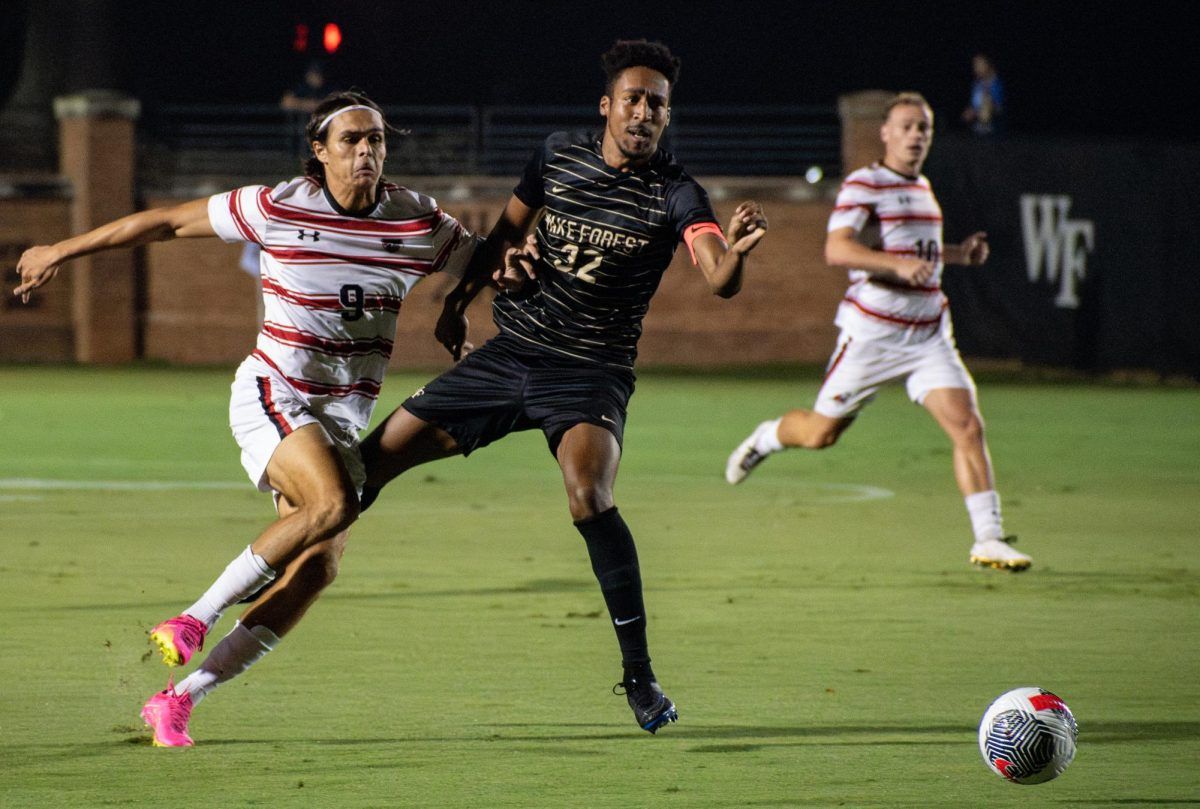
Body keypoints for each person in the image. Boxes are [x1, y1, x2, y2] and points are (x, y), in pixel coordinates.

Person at [12, 91, 478, 746]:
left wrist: (461, 301)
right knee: (334, 501)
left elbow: (489, 263)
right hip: (275, 394)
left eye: (376, 139)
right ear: (320, 151)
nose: (368, 150)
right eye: (351, 139)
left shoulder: (415, 220)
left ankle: (177, 697)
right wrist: (62, 248)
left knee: (318, 568)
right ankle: (193, 619)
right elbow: (168, 223)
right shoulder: (278, 204)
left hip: (341, 419)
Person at [356, 39, 768, 734]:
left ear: (668, 117)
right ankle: (266, 578)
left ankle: (639, 676)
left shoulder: (676, 193)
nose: (644, 113)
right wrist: (458, 304)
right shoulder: (557, 156)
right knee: (368, 465)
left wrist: (734, 257)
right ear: (606, 106)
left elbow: (716, 272)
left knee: (589, 497)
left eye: (657, 105)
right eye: (633, 99)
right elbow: (503, 235)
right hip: (511, 352)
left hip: (589, 373)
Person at [724, 92, 1031, 573]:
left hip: (928, 333)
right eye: (907, 126)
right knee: (821, 434)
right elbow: (838, 250)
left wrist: (955, 255)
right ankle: (768, 437)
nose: (916, 136)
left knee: (968, 426)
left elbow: (915, 255)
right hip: (873, 336)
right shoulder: (865, 184)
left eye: (924, 128)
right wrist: (894, 264)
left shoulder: (923, 186)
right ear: (885, 133)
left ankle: (988, 538)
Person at [961, 53, 1004, 136]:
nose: (976, 68)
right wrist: (971, 110)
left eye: (980, 65)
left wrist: (984, 109)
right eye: (975, 65)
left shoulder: (996, 83)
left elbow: (999, 106)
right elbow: (974, 102)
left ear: (988, 65)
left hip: (994, 118)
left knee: (986, 100)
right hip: (978, 117)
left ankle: (986, 126)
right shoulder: (976, 84)